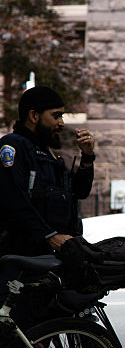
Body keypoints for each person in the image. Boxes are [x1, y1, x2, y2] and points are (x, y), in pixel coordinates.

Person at [0, 85, 95, 257]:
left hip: (48, 257)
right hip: (18, 257)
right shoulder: (13, 146)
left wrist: (87, 157)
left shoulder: (47, 154)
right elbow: (13, 198)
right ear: (34, 116)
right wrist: (49, 236)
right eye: (56, 115)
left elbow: (79, 192)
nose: (61, 123)